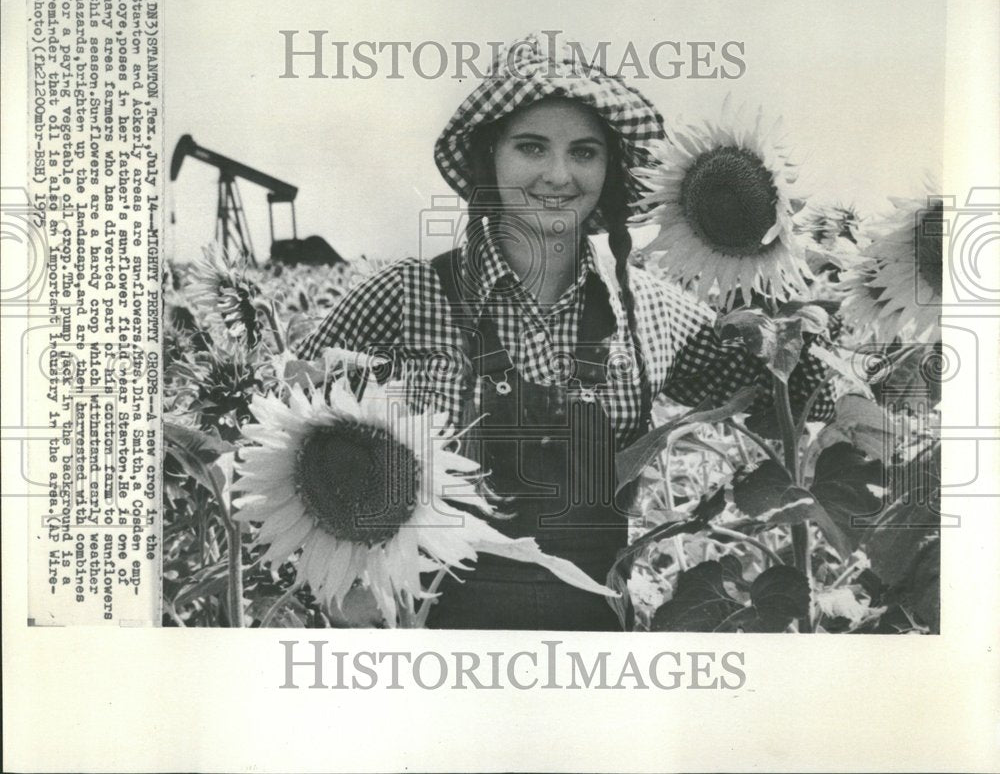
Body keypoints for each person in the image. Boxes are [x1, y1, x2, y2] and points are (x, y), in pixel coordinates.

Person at [297, 32, 833, 631]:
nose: (558, 174)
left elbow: (792, 391)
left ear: (610, 169)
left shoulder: (648, 309)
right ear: (490, 156)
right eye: (531, 148)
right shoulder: (406, 295)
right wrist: (344, 583)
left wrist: (769, 252)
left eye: (584, 152)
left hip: (596, 645)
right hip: (432, 642)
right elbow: (287, 434)